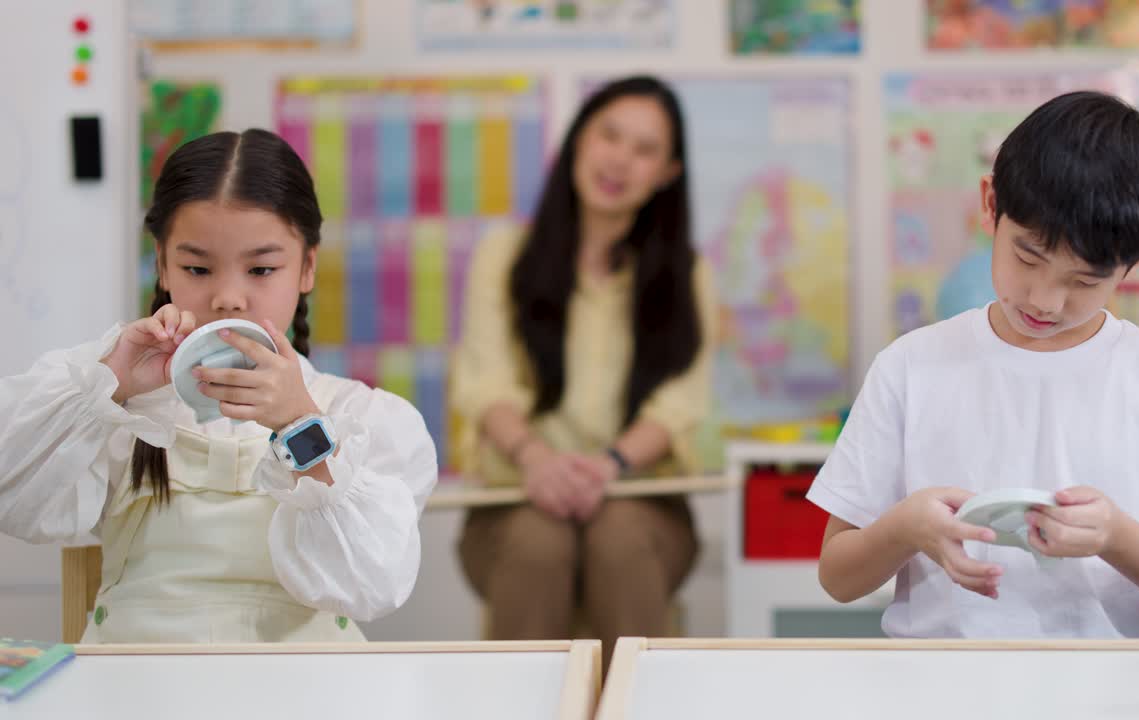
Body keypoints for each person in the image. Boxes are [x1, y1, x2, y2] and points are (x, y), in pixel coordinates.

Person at [810, 91, 1139, 637]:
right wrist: (905, 529)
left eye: (1085, 281)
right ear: (990, 206)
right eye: (1027, 257)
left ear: (1135, 264)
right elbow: (837, 576)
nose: (1045, 300)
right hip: (938, 691)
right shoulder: (910, 367)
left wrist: (1116, 537)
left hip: (1108, 698)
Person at [0, 129, 437, 642]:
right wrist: (109, 384)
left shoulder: (366, 419)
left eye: (261, 268)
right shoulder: (113, 402)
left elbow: (371, 588)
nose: (229, 296)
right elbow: (15, 501)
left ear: (307, 267)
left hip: (306, 696)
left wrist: (302, 428)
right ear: (162, 264)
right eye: (197, 267)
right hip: (137, 691)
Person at [450, 75, 717, 665]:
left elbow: (678, 405)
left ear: (668, 172)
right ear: (578, 141)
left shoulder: (687, 275)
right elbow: (485, 383)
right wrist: (536, 462)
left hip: (645, 502)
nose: (620, 159)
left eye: (645, 149)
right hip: (513, 499)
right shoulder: (503, 255)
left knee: (618, 533)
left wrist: (608, 466)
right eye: (610, 135)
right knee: (537, 541)